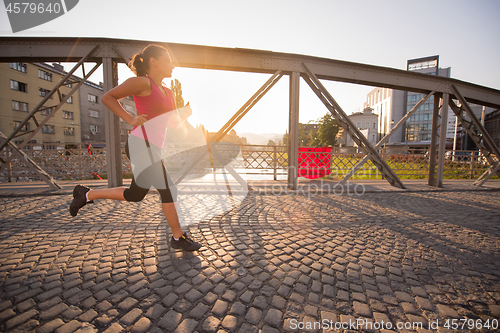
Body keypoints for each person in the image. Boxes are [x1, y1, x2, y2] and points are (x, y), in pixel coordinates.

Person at [69, 44, 201, 252]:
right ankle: (178, 237)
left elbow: (172, 124)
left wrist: (185, 114)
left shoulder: (168, 91)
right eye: (167, 60)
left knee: (135, 194)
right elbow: (107, 97)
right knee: (168, 188)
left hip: (153, 147)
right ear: (153, 62)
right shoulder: (142, 82)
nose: (172, 65)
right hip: (141, 143)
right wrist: (131, 119)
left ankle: (86, 194)